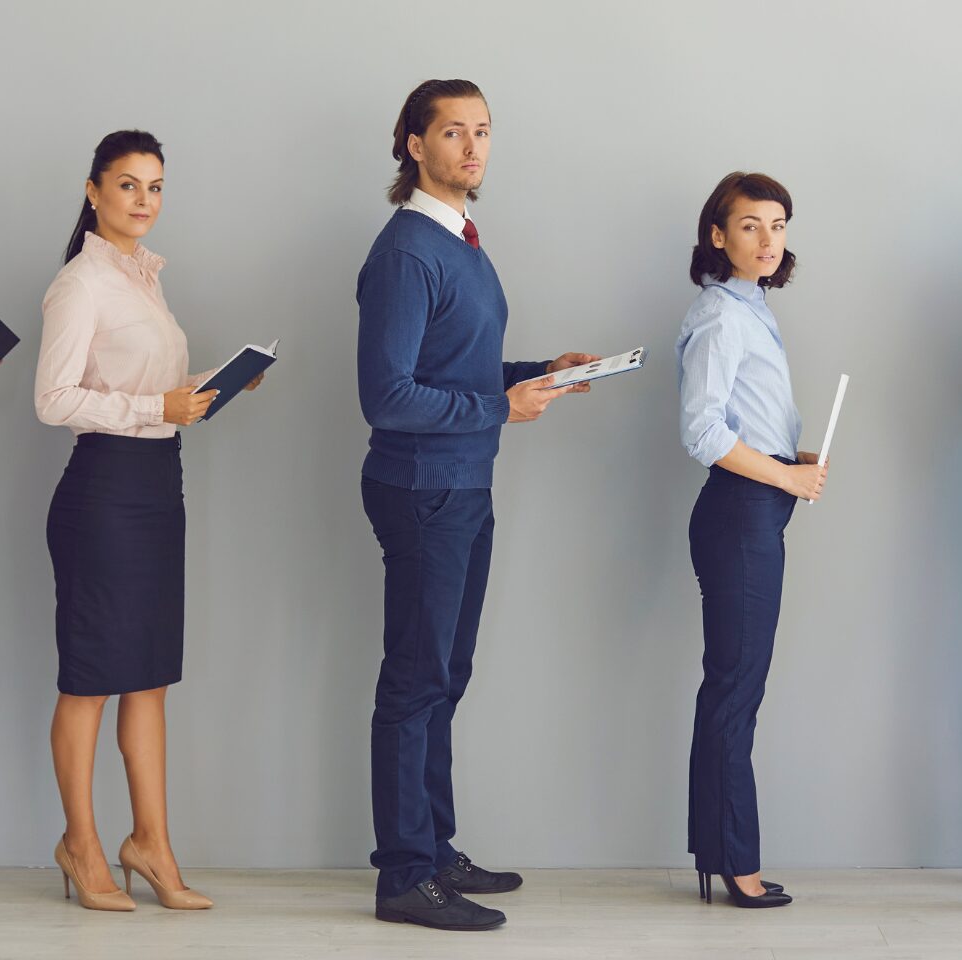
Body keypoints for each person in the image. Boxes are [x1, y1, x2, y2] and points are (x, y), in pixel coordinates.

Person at [356, 78, 599, 932]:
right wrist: (503, 406)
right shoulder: (407, 251)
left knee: (445, 678)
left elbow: (448, 370)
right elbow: (385, 397)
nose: (472, 147)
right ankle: (404, 877)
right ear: (413, 144)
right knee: (417, 681)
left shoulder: (459, 238)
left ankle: (434, 849)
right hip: (423, 489)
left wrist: (533, 374)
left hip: (462, 483)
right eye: (453, 132)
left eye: (483, 131)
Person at [33, 129, 261, 912]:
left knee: (152, 679)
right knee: (92, 679)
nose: (144, 201)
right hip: (102, 495)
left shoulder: (145, 280)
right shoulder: (79, 284)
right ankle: (82, 844)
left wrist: (211, 387)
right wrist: (154, 406)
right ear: (93, 192)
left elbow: (151, 389)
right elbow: (53, 399)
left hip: (162, 487)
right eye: (128, 185)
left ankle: (151, 845)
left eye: (156, 187)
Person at [677, 171, 821, 910]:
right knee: (736, 694)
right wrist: (784, 479)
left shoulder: (751, 307)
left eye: (779, 225)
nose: (768, 240)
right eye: (751, 226)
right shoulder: (721, 316)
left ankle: (719, 853)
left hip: (756, 506)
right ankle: (738, 866)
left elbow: (746, 419)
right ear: (717, 234)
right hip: (740, 515)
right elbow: (702, 432)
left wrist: (790, 461)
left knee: (732, 691)